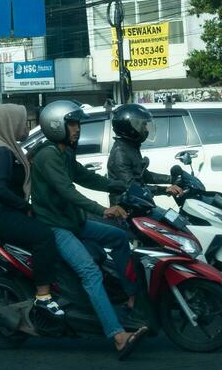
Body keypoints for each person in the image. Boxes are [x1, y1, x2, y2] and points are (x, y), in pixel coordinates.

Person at [29, 100, 143, 353]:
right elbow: (67, 191)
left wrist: (122, 187)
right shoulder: (48, 156)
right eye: (71, 124)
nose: (77, 129)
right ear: (56, 125)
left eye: (77, 123)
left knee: (118, 237)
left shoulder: (64, 152)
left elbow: (85, 177)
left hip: (72, 221)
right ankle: (117, 335)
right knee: (90, 272)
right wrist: (103, 209)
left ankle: (132, 297)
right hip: (56, 227)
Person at [0, 104, 64, 316]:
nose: (26, 126)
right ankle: (43, 296)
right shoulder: (0, 152)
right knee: (44, 236)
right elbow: (0, 189)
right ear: (10, 123)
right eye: (23, 121)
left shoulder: (3, 148)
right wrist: (26, 206)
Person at [104, 104, 182, 205]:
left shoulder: (130, 147)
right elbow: (132, 186)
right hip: (125, 208)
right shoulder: (120, 152)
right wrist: (165, 190)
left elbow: (142, 174)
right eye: (143, 125)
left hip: (138, 202)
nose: (146, 130)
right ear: (129, 127)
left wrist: (171, 179)